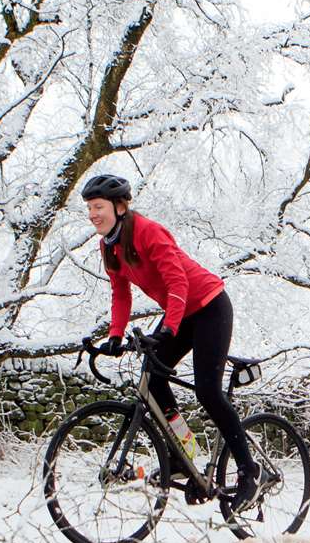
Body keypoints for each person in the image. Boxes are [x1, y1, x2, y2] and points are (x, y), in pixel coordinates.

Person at [80, 173, 260, 509]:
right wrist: (116, 335)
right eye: (89, 208)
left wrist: (170, 327)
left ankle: (249, 471)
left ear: (120, 207)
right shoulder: (109, 246)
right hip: (180, 311)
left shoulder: (148, 231)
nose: (93, 214)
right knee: (154, 379)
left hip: (208, 305)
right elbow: (120, 294)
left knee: (208, 390)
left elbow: (178, 281)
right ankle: (184, 454)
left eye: (98, 206)